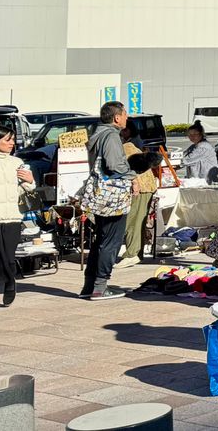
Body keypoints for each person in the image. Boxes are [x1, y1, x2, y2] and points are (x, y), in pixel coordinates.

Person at [80, 102, 134, 301]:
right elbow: (114, 164)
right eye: (125, 115)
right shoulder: (111, 135)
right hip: (113, 197)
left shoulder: (96, 133)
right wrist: (132, 175)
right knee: (111, 240)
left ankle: (89, 284)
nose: (127, 119)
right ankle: (100, 286)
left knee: (100, 240)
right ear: (116, 117)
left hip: (99, 195)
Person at [0, 125, 36, 307]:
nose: (12, 143)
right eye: (7, 140)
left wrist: (30, 181)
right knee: (0, 256)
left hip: (12, 216)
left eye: (12, 139)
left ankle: (10, 283)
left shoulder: (16, 162)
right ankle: (7, 279)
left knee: (9, 255)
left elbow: (28, 188)